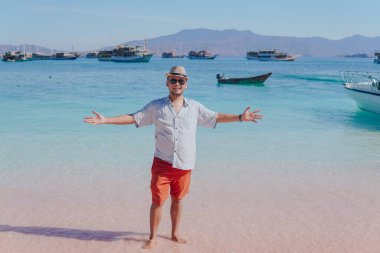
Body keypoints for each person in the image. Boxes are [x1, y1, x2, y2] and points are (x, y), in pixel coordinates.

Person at [83, 66, 263, 249]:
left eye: (181, 81)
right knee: (158, 201)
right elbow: (133, 118)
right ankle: (152, 237)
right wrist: (106, 120)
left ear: (186, 84)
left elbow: (216, 117)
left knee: (178, 200)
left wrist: (240, 117)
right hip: (162, 164)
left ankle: (174, 233)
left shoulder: (195, 107)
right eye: (173, 80)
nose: (177, 84)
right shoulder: (156, 106)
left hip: (185, 165)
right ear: (167, 82)